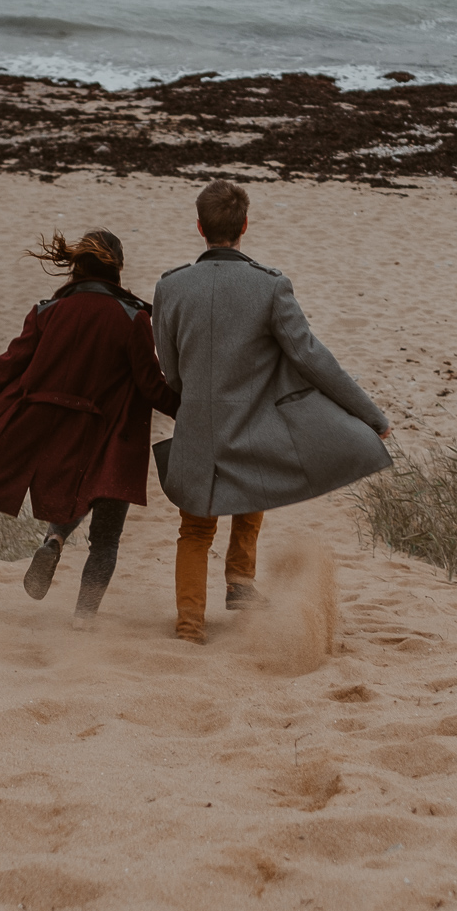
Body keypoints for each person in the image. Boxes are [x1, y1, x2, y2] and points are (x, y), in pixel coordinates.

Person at [0, 230, 180, 627]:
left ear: (76, 268)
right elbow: (150, 387)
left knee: (76, 492)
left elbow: (1, 371)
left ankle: (55, 539)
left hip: (55, 434)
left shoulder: (46, 313)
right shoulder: (133, 319)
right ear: (118, 271)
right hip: (112, 437)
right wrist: (195, 412)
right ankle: (83, 618)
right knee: (106, 538)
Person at [152, 180, 392, 643]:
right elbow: (311, 357)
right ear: (244, 225)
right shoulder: (270, 285)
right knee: (255, 481)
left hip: (197, 423)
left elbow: (170, 367)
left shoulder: (171, 286)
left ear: (200, 227)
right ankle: (239, 582)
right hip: (249, 423)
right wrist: (370, 416)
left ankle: (191, 624)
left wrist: (194, 399)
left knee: (195, 529)